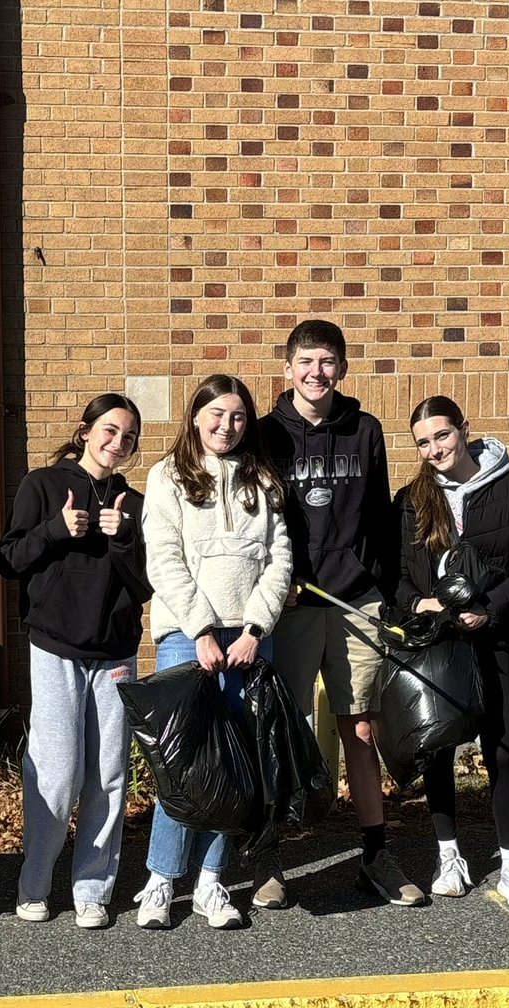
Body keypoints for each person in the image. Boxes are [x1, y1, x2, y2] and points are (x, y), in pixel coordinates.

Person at [259, 319, 422, 907]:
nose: (316, 373)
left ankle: (376, 854)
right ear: (287, 368)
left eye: (327, 362)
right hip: (293, 603)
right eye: (306, 362)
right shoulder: (263, 435)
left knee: (361, 726)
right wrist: (276, 587)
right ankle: (269, 855)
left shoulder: (366, 430)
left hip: (357, 600)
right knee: (285, 725)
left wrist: (381, 587)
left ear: (343, 369)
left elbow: (379, 519)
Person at [136, 374, 292, 930]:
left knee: (235, 762)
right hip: (187, 634)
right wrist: (201, 629)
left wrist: (254, 628)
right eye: (217, 415)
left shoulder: (262, 479)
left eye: (238, 418)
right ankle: (161, 880)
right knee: (185, 760)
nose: (227, 427)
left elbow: (279, 558)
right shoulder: (167, 476)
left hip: (249, 637)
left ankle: (211, 882)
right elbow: (164, 559)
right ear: (195, 416)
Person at [0, 394, 150, 929]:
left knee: (107, 774)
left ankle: (92, 889)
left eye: (129, 437)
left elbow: (146, 585)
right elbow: (6, 558)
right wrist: (57, 529)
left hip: (115, 652)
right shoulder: (43, 485)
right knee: (57, 774)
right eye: (109, 431)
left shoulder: (134, 503)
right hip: (55, 647)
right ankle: (34, 882)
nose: (118, 443)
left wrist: (125, 538)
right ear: (85, 431)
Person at [394, 396, 509, 910]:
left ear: (465, 428)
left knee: (501, 747)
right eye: (423, 442)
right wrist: (421, 603)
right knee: (438, 746)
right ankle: (449, 855)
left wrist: (491, 607)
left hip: (493, 634)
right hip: (437, 639)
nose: (435, 449)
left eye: (443, 435)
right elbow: (396, 577)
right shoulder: (412, 499)